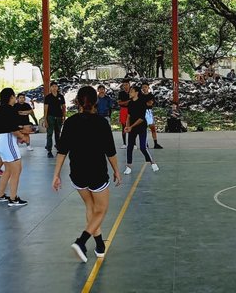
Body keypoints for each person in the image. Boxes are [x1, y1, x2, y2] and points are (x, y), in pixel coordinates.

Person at [52, 86, 122, 262]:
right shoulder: (101, 123)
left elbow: (62, 151)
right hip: (97, 173)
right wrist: (116, 171)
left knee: (90, 207)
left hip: (77, 174)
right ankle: (82, 241)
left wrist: (56, 174)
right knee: (102, 210)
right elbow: (111, 152)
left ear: (77, 102)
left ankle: (99, 245)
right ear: (95, 102)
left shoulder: (70, 122)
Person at [0, 88, 28, 206]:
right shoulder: (10, 110)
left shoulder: (0, 109)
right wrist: (22, 136)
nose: (15, 99)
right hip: (8, 142)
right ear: (11, 97)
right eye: (14, 97)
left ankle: (0, 195)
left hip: (0, 141)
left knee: (8, 170)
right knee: (17, 170)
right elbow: (13, 129)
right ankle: (13, 199)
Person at [123, 86, 159, 175]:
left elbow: (141, 118)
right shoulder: (130, 103)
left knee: (143, 147)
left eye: (131, 91)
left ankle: (152, 162)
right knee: (129, 147)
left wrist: (131, 126)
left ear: (136, 93)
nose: (129, 93)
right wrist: (127, 127)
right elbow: (129, 116)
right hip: (132, 128)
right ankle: (129, 166)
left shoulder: (142, 103)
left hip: (141, 127)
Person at [43, 82, 66, 158]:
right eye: (53, 86)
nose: (54, 88)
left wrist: (64, 117)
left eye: (56, 86)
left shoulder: (61, 96)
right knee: (49, 133)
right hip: (50, 117)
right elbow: (46, 108)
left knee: (58, 134)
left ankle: (59, 148)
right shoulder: (48, 97)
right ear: (50, 88)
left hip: (59, 117)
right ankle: (49, 150)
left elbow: (63, 107)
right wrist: (45, 119)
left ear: (57, 88)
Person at [140, 82, 163, 149]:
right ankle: (145, 144)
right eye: (143, 87)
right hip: (142, 112)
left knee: (152, 128)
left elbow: (150, 103)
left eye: (145, 87)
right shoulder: (140, 96)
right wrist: (145, 104)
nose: (144, 88)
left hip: (148, 112)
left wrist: (144, 104)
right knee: (144, 129)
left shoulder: (151, 95)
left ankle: (155, 143)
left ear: (148, 88)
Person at [117, 79, 131, 149]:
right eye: (124, 85)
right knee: (123, 126)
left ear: (129, 85)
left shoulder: (132, 92)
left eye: (127, 85)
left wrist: (125, 102)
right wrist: (128, 101)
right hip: (123, 110)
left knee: (131, 126)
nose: (125, 86)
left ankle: (133, 143)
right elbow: (119, 103)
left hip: (131, 110)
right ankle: (124, 143)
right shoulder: (121, 93)